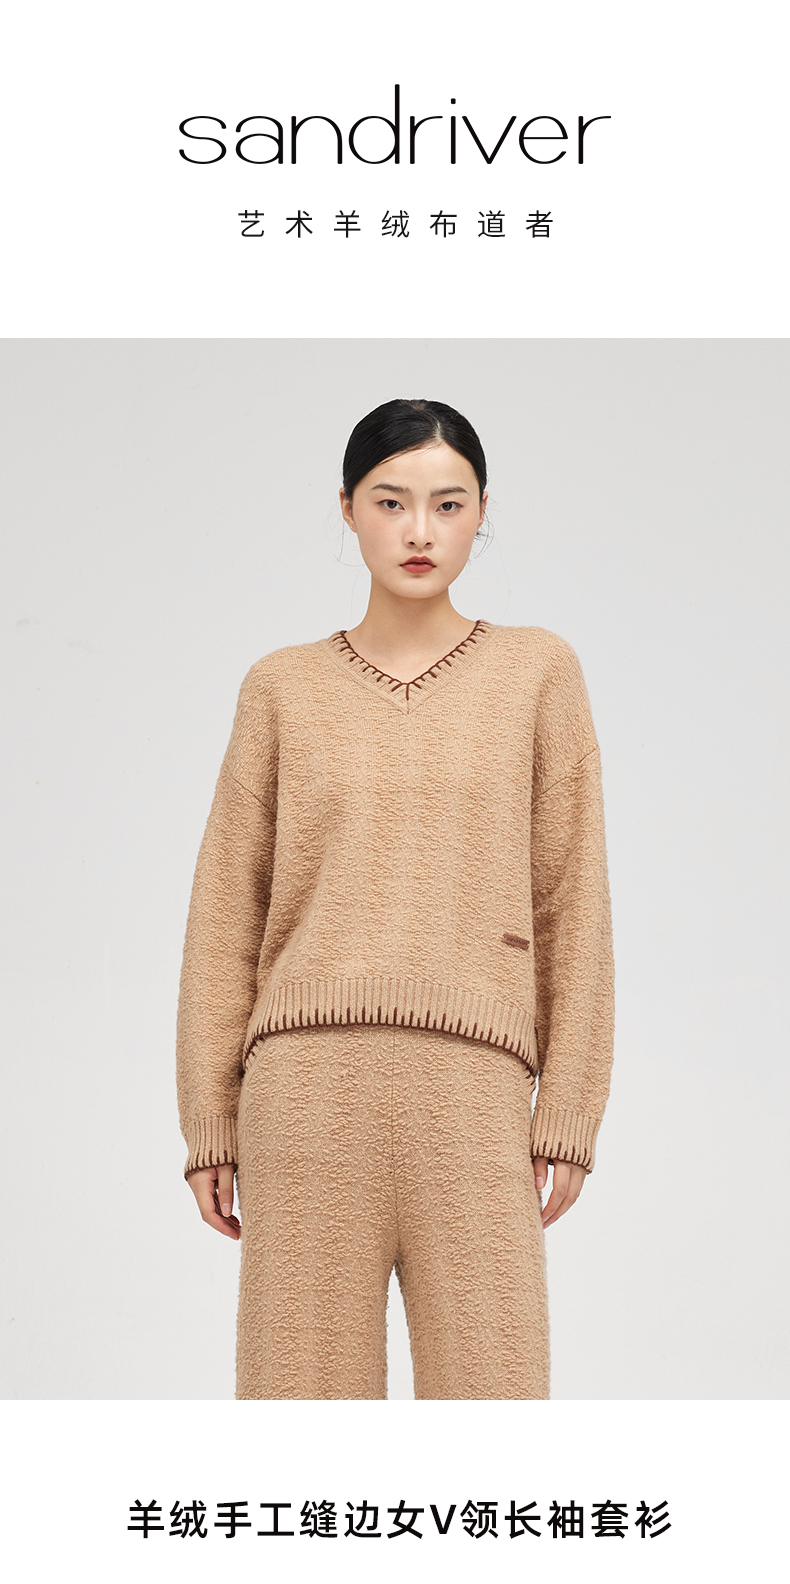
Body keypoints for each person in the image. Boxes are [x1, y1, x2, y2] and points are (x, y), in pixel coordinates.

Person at [175, 397, 615, 1400]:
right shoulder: (281, 688)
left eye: (448, 504)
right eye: (390, 501)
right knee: (300, 1410)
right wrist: (209, 1118)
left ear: (481, 511)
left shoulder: (537, 674)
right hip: (303, 1097)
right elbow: (226, 911)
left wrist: (569, 1111)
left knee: (495, 1403)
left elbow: (572, 900)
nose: (420, 530)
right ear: (346, 507)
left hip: (476, 1095)